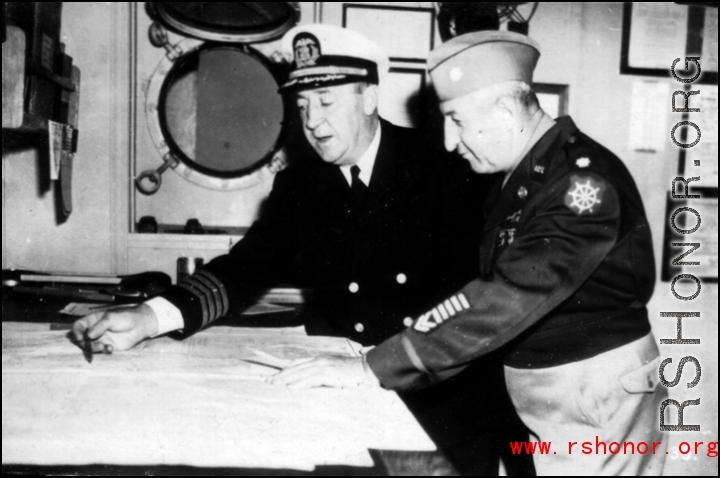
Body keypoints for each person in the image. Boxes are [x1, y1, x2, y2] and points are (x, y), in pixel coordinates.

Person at [73, 25, 533, 476]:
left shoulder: (447, 170)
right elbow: (245, 267)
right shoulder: (300, 184)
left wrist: (379, 365)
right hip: (341, 396)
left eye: (327, 102)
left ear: (369, 98)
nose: (313, 121)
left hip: (440, 404)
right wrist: (149, 318)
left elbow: (481, 301)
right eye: (303, 105)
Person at [271, 30, 668, 476]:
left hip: (591, 395)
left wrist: (373, 366)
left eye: (456, 119)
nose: (448, 140)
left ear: (503, 109)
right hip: (550, 391)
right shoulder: (523, 180)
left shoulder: (580, 184)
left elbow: (506, 295)